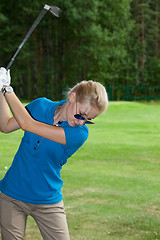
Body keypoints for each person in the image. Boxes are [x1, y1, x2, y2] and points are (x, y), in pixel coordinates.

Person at [0, 67, 108, 240]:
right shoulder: (40, 105)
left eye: (88, 120)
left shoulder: (79, 134)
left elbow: (29, 124)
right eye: (81, 115)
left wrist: (7, 89)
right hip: (12, 194)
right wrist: (0, 91)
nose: (82, 122)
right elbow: (5, 125)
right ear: (73, 97)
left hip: (47, 201)